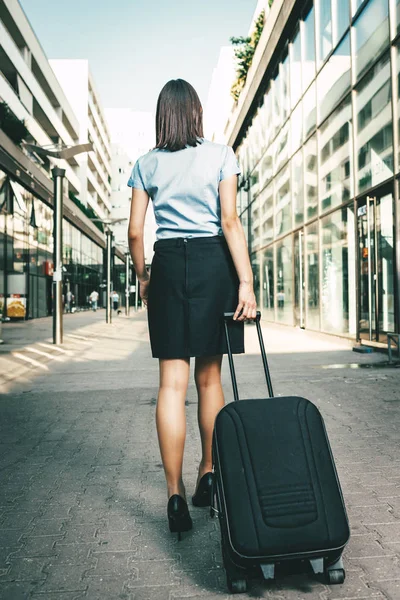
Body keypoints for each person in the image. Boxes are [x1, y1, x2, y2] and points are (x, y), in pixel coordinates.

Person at [127, 79, 257, 539]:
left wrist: (144, 276)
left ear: (162, 115)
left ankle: (174, 493)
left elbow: (137, 233)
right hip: (212, 264)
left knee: (171, 383)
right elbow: (229, 220)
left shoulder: (146, 163)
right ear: (197, 112)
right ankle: (208, 472)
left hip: (167, 265)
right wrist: (245, 280)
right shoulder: (222, 155)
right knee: (209, 379)